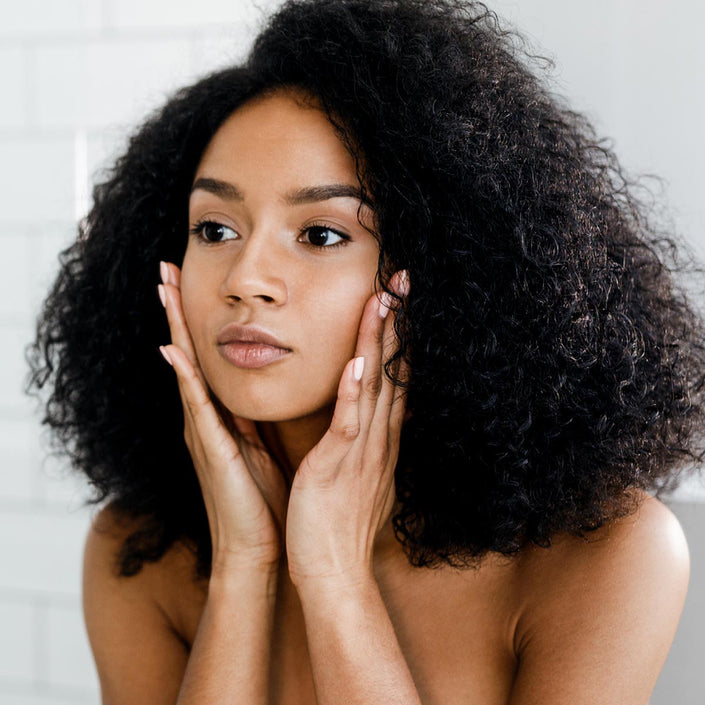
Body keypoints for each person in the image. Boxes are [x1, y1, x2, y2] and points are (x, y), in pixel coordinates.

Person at [27, 0, 705, 702]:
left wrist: (333, 578)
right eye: (215, 229)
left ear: (441, 272)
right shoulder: (139, 552)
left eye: (320, 234)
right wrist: (243, 566)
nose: (245, 280)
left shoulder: (604, 557)